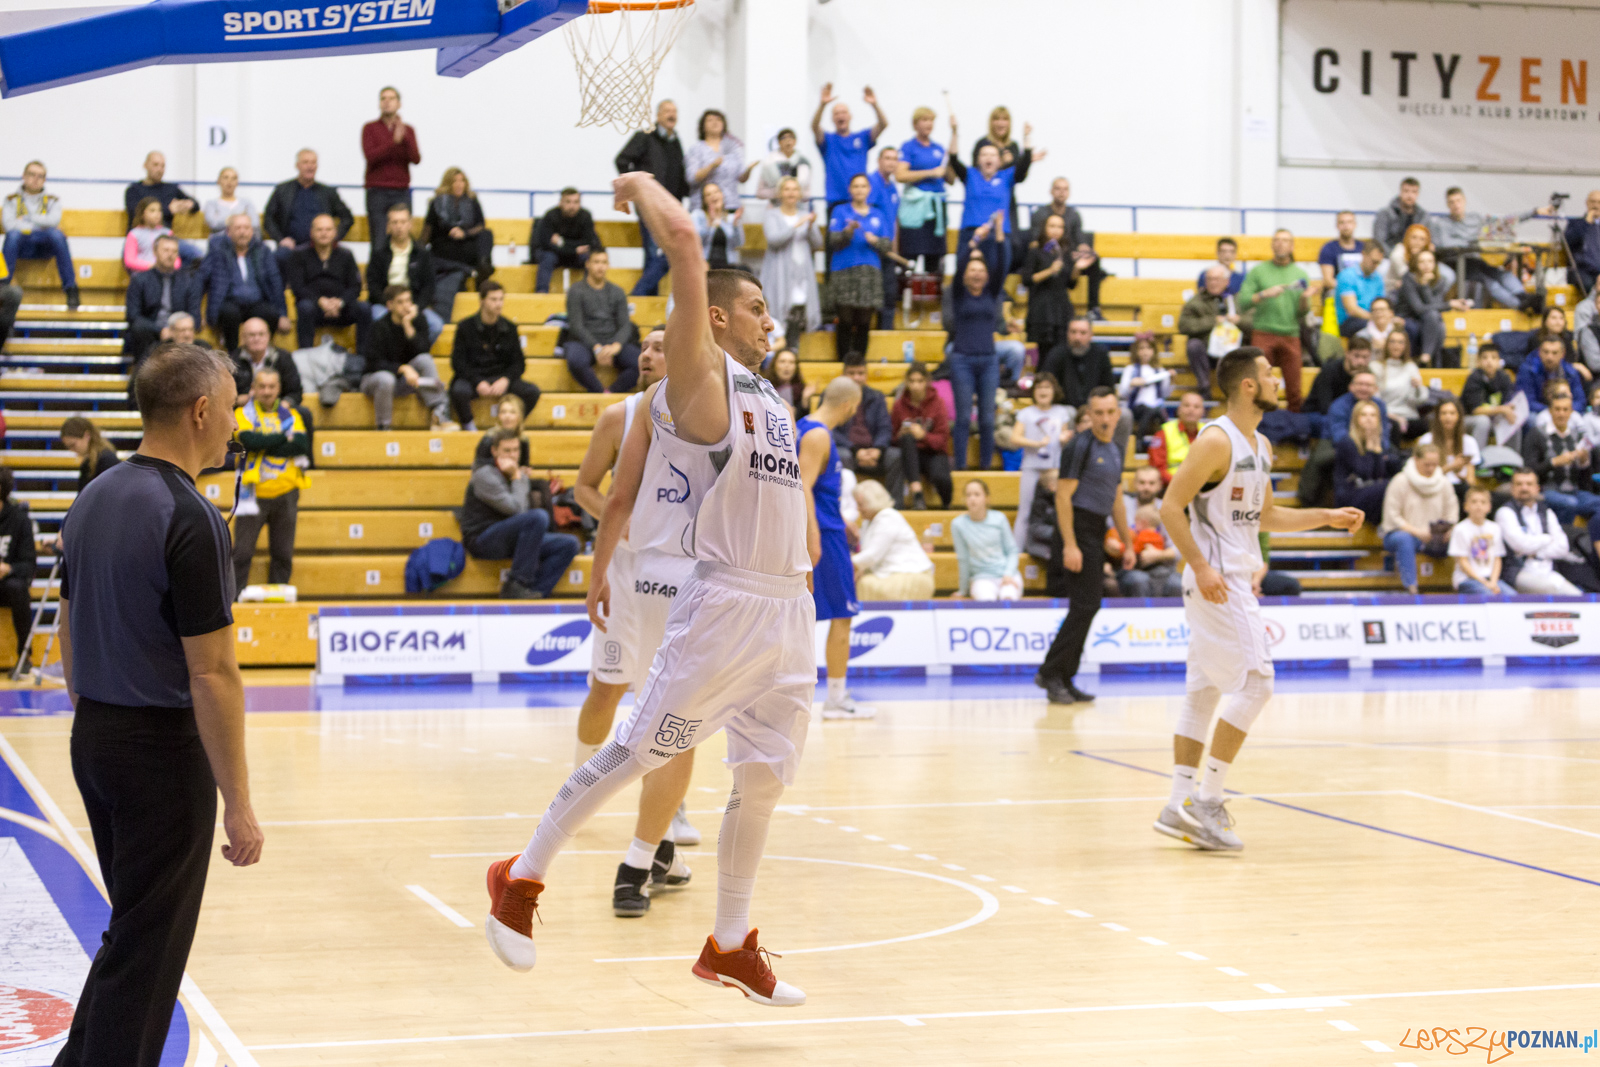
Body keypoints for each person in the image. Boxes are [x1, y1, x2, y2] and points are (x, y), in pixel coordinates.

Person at [485, 170, 814, 1007]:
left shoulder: (771, 396)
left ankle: (730, 940)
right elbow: (688, 245)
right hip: (726, 601)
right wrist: (641, 183)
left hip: (789, 607)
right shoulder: (700, 383)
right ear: (715, 318)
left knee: (765, 778)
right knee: (643, 746)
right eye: (756, 309)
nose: (769, 321)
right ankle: (520, 874)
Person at [54, 342, 263, 1067]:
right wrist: (239, 803)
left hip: (95, 737)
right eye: (231, 407)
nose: (236, 423)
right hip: (160, 756)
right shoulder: (190, 515)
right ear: (200, 411)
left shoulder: (92, 495)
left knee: (133, 932)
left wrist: (98, 714)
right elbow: (214, 674)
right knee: (149, 952)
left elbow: (67, 630)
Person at [1156, 346, 1362, 850]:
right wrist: (1201, 565)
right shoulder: (1215, 440)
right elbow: (1170, 507)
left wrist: (1326, 517)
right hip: (1218, 579)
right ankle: (1207, 800)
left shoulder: (1262, 445)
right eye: (1270, 375)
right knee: (1257, 684)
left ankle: (1177, 804)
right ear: (1248, 385)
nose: (1278, 381)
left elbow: (1265, 516)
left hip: (1224, 577)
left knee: (1204, 691)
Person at [568, 329, 700, 909]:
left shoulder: (701, 416)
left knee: (668, 700)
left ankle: (667, 817)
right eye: (644, 347)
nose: (647, 355)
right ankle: (580, 784)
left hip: (679, 573)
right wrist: (620, 526)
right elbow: (585, 488)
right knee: (610, 688)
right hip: (626, 573)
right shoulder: (618, 417)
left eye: (660, 347)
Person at [1036, 389, 1134, 704]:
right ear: (1089, 415)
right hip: (1076, 528)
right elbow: (1063, 497)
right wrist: (1070, 545)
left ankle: (1065, 676)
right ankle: (1051, 672)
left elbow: (1116, 500)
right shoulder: (1079, 446)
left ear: (1117, 414)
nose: (1105, 419)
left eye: (1110, 412)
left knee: (1088, 605)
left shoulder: (1116, 448)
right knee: (1084, 605)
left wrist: (1128, 543)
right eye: (1098, 413)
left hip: (1096, 528)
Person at [801, 377, 874, 721]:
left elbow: (815, 490)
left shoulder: (803, 426)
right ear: (848, 405)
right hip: (824, 537)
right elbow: (802, 487)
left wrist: (843, 521)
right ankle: (836, 698)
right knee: (842, 615)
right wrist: (813, 535)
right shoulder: (818, 435)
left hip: (830, 527)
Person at [462, 428, 579, 599]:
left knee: (569, 544)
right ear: (494, 451)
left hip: (511, 537)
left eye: (516, 450)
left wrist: (518, 477)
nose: (512, 455)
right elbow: (517, 509)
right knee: (538, 517)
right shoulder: (484, 475)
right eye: (507, 450)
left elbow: (521, 510)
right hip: (482, 539)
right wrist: (517, 476)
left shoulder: (516, 474)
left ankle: (536, 595)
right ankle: (517, 584)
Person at [231, 367, 309, 595]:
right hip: (252, 494)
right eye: (262, 386)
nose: (267, 391)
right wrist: (285, 438)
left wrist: (264, 443)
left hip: (287, 492)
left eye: (272, 386)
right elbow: (249, 441)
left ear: (279, 389)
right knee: (241, 553)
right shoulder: (242, 414)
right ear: (253, 388)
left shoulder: (291, 415)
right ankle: (233, 603)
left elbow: (301, 445)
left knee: (283, 554)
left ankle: (278, 603)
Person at [944, 220, 1008, 470]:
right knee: (962, 418)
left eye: (981, 270)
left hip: (989, 361)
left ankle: (985, 468)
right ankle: (960, 467)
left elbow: (1002, 264)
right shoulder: (958, 293)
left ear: (987, 275)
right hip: (962, 360)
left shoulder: (992, 292)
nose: (977, 273)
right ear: (965, 274)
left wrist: (999, 234)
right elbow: (959, 265)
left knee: (987, 420)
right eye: (972, 270)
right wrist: (974, 241)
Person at [1428, 186, 1552, 311]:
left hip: (1475, 261)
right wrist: (1471, 241)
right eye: (1452, 202)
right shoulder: (1441, 224)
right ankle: (1520, 305)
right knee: (1489, 282)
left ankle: (1523, 296)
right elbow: (1443, 244)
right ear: (1447, 205)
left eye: (1458, 201)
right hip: (1456, 264)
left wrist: (1533, 212)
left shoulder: (1475, 219)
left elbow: (1504, 222)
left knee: (1502, 274)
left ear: (1464, 201)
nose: (1456, 205)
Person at [614, 100, 689, 298]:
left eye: (674, 111)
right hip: (649, 204)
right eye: (667, 111)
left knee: (665, 254)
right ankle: (641, 297)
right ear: (658, 115)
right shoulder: (645, 136)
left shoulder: (676, 141)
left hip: (671, 206)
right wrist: (635, 187)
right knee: (653, 251)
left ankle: (644, 296)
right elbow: (622, 160)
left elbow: (679, 174)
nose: (671, 114)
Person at [1239, 229, 1318, 411]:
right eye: (1277, 240)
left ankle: (1294, 424)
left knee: (1294, 388)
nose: (1281, 244)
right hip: (1263, 332)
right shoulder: (1258, 271)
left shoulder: (1300, 274)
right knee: (1259, 386)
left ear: (1292, 246)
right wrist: (1263, 294)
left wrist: (1305, 298)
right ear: (1272, 245)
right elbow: (1243, 302)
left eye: (1285, 240)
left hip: (1291, 334)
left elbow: (1302, 313)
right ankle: (1259, 422)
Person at [450, 281, 540, 429]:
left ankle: (511, 427)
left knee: (532, 392)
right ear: (482, 301)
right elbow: (458, 362)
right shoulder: (465, 327)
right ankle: (469, 427)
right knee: (459, 391)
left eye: (501, 299)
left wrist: (506, 379)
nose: (498, 304)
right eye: (493, 299)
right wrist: (477, 381)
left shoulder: (510, 328)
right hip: (474, 377)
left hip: (500, 377)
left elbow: (519, 363)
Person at [362, 285, 453, 431]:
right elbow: (372, 363)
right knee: (386, 379)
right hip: (375, 380)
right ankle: (384, 427)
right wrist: (402, 368)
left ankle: (439, 414)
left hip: (403, 381)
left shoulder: (418, 321)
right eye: (400, 302)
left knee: (424, 360)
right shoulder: (379, 326)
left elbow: (423, 351)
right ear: (390, 305)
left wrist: (408, 326)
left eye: (408, 301)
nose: (406, 306)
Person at [1041, 317, 1132, 454]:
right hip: (1066, 408)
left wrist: (1095, 410)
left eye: (1082, 333)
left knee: (1125, 415)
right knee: (1068, 413)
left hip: (1096, 408)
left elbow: (1108, 388)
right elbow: (1047, 386)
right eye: (1073, 332)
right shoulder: (1056, 354)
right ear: (1067, 334)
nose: (1077, 337)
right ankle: (1068, 460)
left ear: (1090, 335)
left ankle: (1115, 460)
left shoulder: (1100, 354)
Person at [1379, 443, 1459, 594]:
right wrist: (1418, 532)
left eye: (1434, 465)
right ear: (1416, 459)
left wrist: (1449, 530)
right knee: (1404, 539)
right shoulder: (1400, 481)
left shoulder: (1444, 483)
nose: (1430, 469)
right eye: (1427, 464)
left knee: (1463, 534)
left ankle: (1463, 585)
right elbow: (1392, 516)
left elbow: (1452, 514)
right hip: (1403, 534)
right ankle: (1411, 587)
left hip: (1436, 536)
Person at [205, 214, 289, 353]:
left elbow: (275, 281)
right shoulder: (219, 251)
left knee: (271, 313)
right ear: (229, 232)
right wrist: (199, 315)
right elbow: (201, 277)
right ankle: (233, 354)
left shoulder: (263, 250)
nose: (242, 232)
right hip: (230, 302)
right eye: (238, 228)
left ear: (252, 231)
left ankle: (264, 353)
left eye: (246, 228)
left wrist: (283, 314)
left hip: (257, 302)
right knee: (229, 313)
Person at [285, 213, 369, 352]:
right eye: (319, 230)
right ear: (311, 232)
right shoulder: (299, 255)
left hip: (342, 308)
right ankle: (305, 356)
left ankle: (363, 357)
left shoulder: (346, 255)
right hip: (314, 307)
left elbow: (355, 287)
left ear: (335, 232)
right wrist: (320, 301)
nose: (324, 233)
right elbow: (298, 287)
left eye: (328, 229)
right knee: (305, 308)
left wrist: (340, 302)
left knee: (364, 309)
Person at [828, 174, 891, 357]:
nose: (859, 190)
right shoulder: (840, 211)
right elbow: (833, 241)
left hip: (869, 273)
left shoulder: (878, 214)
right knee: (845, 320)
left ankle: (859, 364)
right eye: (855, 186)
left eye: (863, 186)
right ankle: (842, 361)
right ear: (850, 189)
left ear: (869, 189)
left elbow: (887, 246)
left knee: (864, 322)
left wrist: (876, 241)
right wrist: (848, 231)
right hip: (844, 270)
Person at [3, 160, 80, 310]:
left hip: (45, 247)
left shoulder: (53, 200)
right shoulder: (11, 199)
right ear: (24, 176)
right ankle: (2, 287)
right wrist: (42, 224)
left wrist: (27, 219)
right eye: (32, 174)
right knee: (12, 236)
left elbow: (53, 220)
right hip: (21, 246)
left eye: (40, 176)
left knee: (57, 235)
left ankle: (71, 288)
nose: (36, 179)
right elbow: (9, 225)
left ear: (44, 179)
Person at [563, 250, 640, 394]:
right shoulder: (576, 291)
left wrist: (616, 345)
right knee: (575, 361)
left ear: (608, 265)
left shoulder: (618, 291)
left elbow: (625, 325)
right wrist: (597, 347)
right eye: (596, 262)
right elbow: (576, 325)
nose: (600, 266)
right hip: (583, 342)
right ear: (588, 264)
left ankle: (611, 393)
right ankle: (599, 392)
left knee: (641, 362)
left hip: (612, 341)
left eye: (604, 262)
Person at [1012, 372, 1074, 548]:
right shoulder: (1026, 413)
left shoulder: (1061, 412)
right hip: (1032, 467)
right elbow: (1015, 438)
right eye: (1039, 387)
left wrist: (1065, 438)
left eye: (1047, 387)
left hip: (1054, 468)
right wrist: (1037, 443)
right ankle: (1017, 553)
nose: (1043, 391)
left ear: (1054, 390)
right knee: (1025, 511)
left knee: (1059, 510)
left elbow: (1064, 436)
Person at [1496, 468, 1583, 595]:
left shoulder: (1546, 512)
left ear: (1537, 488)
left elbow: (1562, 547)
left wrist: (1536, 553)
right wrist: (1547, 538)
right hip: (1519, 572)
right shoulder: (1505, 512)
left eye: (1529, 484)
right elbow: (1521, 545)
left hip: (1548, 572)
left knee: (1577, 596)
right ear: (1512, 488)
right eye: (1519, 484)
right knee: (1552, 590)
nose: (1524, 488)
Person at [1522, 384, 1600, 525]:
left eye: (1565, 409)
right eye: (1557, 409)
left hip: (1574, 490)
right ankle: (1565, 535)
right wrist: (1554, 462)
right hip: (1547, 489)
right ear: (1550, 411)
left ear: (1571, 412)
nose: (1561, 414)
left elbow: (1585, 477)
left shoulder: (1578, 435)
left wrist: (1584, 462)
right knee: (1569, 503)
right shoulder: (1537, 434)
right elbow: (1529, 468)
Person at [261, 149, 354, 267]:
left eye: (313, 162)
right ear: (297, 165)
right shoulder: (282, 190)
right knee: (276, 258)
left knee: (344, 257)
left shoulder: (328, 193)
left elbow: (347, 217)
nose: (310, 166)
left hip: (320, 248)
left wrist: (333, 237)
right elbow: (268, 218)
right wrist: (281, 239)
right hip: (291, 248)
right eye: (305, 162)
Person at [950, 129, 1034, 258]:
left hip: (999, 234)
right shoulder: (970, 175)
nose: (988, 158)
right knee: (964, 266)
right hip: (971, 231)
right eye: (984, 154)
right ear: (978, 159)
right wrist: (955, 132)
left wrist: (1027, 138)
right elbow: (953, 159)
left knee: (999, 268)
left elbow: (1025, 163)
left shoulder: (1007, 176)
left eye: (993, 155)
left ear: (1000, 161)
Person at [759, 179, 822, 349]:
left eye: (795, 189)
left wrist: (810, 226)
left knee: (798, 312)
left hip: (802, 274)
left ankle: (793, 352)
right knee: (778, 314)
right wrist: (796, 225)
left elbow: (817, 244)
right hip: (779, 274)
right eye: (787, 189)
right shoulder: (772, 215)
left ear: (799, 194)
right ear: (780, 193)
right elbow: (774, 240)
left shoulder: (805, 214)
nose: (791, 193)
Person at [1031, 177, 1108, 313]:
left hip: (1068, 256)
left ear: (1069, 192)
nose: (1061, 192)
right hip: (1047, 255)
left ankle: (1093, 308)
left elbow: (1080, 239)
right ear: (1051, 191)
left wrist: (1084, 249)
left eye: (1065, 189)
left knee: (1094, 260)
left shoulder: (1074, 214)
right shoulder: (1040, 213)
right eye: (1058, 188)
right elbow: (1036, 241)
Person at [423, 166, 495, 313]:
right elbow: (428, 231)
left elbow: (480, 225)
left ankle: (483, 266)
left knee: (487, 234)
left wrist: (465, 233)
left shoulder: (472, 201)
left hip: (466, 243)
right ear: (448, 183)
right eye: (455, 181)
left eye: (462, 180)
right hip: (445, 246)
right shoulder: (437, 203)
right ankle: (477, 269)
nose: (459, 184)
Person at [813, 83, 888, 220]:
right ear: (832, 119)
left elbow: (883, 125)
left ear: (850, 116)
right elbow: (814, 127)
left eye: (843, 112)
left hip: (860, 200)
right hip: (836, 201)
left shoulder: (862, 138)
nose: (840, 116)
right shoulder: (828, 140)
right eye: (836, 113)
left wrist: (874, 104)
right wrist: (822, 105)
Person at [367, 201, 441, 340]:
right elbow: (373, 285)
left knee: (436, 325)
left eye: (403, 222)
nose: (399, 226)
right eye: (394, 222)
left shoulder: (422, 253)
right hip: (386, 305)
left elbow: (429, 286)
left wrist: (416, 307)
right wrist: (390, 305)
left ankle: (416, 351)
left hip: (413, 304)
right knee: (377, 319)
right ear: (388, 226)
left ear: (410, 224)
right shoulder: (378, 253)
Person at [124, 234, 202, 364]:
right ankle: (143, 371)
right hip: (150, 333)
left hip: (180, 332)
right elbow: (132, 315)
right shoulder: (140, 280)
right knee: (138, 328)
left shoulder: (188, 281)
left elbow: (194, 316)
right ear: (155, 252)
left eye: (174, 251)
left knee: (203, 345)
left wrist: (177, 330)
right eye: (166, 250)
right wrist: (160, 330)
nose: (170, 255)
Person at [896, 107, 955, 274]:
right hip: (916, 210)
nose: (928, 124)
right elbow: (900, 175)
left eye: (931, 120)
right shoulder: (908, 147)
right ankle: (907, 288)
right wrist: (930, 173)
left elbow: (951, 180)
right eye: (924, 120)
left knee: (935, 260)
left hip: (937, 209)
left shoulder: (939, 148)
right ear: (915, 124)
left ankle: (934, 288)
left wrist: (951, 159)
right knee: (910, 258)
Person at [852, 479, 935, 599]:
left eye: (860, 504)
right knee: (862, 581)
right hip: (891, 574)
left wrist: (846, 562)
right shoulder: (868, 522)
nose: (857, 509)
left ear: (872, 502)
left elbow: (872, 555)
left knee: (866, 583)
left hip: (911, 576)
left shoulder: (888, 517)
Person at [1021, 213, 1090, 355]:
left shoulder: (1066, 252)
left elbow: (1071, 284)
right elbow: (1026, 280)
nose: (1056, 230)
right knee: (1044, 353)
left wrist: (1077, 268)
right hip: (1042, 309)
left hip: (1062, 308)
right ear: (1044, 228)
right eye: (1052, 226)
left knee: (1062, 352)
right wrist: (1049, 271)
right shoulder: (1036, 250)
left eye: (1060, 227)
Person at [835, 354, 902, 497]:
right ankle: (846, 504)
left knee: (896, 455)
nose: (856, 377)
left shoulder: (877, 397)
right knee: (841, 455)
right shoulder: (834, 396)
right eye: (851, 373)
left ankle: (895, 506)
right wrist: (855, 450)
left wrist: (878, 449)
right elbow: (831, 430)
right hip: (849, 451)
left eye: (860, 373)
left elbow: (885, 428)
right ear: (843, 374)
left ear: (866, 375)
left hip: (874, 451)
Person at [891, 360, 952, 509]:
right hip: (909, 454)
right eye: (911, 381)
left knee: (942, 478)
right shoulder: (899, 405)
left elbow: (942, 440)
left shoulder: (938, 403)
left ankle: (946, 504)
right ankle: (917, 494)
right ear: (906, 382)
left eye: (919, 381)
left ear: (927, 382)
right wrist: (899, 435)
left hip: (934, 453)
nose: (915, 386)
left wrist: (923, 435)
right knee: (907, 438)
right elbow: (891, 438)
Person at [122, 151, 203, 261]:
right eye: (155, 165)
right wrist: (169, 209)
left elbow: (195, 204)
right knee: (129, 257)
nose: (159, 169)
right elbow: (135, 212)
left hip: (166, 239)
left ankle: (178, 272)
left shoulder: (171, 189)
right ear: (145, 165)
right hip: (140, 240)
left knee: (197, 254)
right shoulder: (133, 190)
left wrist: (187, 205)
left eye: (162, 166)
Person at [1334, 396, 1400, 527]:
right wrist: (1371, 449)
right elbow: (1366, 474)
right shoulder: (1347, 443)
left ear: (1379, 420)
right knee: (1388, 486)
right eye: (1363, 415)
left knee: (1398, 484)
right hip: (1351, 495)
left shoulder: (1383, 443)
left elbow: (1387, 472)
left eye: (1373, 415)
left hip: (1373, 493)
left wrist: (1378, 450)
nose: (1368, 418)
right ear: (1356, 419)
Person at [1396, 248, 1470, 365]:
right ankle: (1429, 360)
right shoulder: (1408, 279)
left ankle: (1427, 358)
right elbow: (1419, 308)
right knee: (1434, 319)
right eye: (1422, 262)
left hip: (1428, 318)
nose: (1426, 265)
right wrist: (1449, 304)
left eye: (1430, 261)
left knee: (1437, 322)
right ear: (1415, 264)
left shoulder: (1440, 281)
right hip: (1408, 316)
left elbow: (1433, 305)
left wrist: (1425, 286)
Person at [951, 479, 1021, 600]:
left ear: (987, 498)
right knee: (986, 600)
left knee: (1008, 597)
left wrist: (1008, 574)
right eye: (968, 495)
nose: (972, 499)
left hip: (1007, 574)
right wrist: (963, 590)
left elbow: (1012, 551)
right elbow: (963, 559)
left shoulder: (999, 518)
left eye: (977, 494)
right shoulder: (958, 524)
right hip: (981, 578)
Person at [1179, 264, 1242, 397]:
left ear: (1226, 281)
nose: (1213, 282)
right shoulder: (1195, 301)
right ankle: (1204, 386)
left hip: (1231, 349)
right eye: (1209, 279)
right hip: (1206, 351)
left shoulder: (1237, 299)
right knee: (1193, 345)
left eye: (1217, 279)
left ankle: (1233, 391)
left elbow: (1254, 321)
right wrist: (1212, 321)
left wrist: (1239, 321)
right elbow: (1183, 325)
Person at [361, 86, 419, 227]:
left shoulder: (408, 130)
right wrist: (393, 142)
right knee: (379, 236)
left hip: (401, 191)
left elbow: (416, 159)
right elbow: (370, 156)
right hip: (377, 191)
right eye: (383, 99)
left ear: (399, 104)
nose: (387, 102)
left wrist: (405, 139)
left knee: (402, 234)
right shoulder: (370, 128)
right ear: (379, 103)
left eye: (391, 98)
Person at [531, 187, 602, 293]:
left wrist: (561, 242)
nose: (572, 206)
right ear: (560, 203)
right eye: (568, 202)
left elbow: (588, 242)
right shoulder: (550, 215)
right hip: (555, 255)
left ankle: (590, 293)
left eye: (576, 202)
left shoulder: (586, 216)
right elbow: (546, 244)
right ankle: (541, 293)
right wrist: (574, 249)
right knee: (547, 257)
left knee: (590, 258)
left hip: (575, 256)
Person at [230, 316, 306, 414]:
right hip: (243, 410)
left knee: (304, 413)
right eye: (252, 335)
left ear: (268, 336)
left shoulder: (283, 357)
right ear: (243, 337)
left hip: (278, 408)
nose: (256, 339)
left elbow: (295, 392)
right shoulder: (232, 361)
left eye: (261, 334)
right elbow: (225, 396)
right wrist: (243, 399)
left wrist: (283, 406)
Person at [0, 467, 36, 668]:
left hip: (7, 586)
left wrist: (8, 569)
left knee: (18, 588)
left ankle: (24, 656)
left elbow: (28, 564)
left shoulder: (19, 519)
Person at [686, 109, 754, 212]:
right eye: (710, 120)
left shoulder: (733, 147)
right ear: (703, 126)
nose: (715, 122)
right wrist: (711, 166)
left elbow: (741, 178)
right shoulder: (696, 149)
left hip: (730, 204)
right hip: (704, 207)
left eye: (718, 119)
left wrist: (749, 170)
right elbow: (691, 178)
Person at [1449, 486, 1512, 596]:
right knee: (1488, 595)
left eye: (1483, 502)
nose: (1478, 505)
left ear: (1489, 507)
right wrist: (1484, 582)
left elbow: (1497, 559)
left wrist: (1493, 582)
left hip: (1491, 579)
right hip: (1467, 579)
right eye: (1474, 502)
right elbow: (1462, 562)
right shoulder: (1460, 529)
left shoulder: (1495, 528)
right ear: (1466, 506)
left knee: (1512, 596)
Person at [867, 146, 903, 329]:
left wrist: (895, 247)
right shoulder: (871, 182)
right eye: (887, 158)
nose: (891, 162)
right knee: (872, 293)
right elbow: (866, 213)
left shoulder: (893, 188)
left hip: (888, 249)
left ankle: (886, 333)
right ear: (879, 161)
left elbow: (894, 219)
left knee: (890, 292)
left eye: (894, 159)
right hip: (872, 248)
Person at [1415, 397, 1479, 495]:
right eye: (1444, 413)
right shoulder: (1426, 440)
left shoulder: (1469, 441)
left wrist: (1459, 474)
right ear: (1437, 417)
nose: (1448, 417)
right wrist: (1451, 467)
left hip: (1460, 488)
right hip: (1433, 487)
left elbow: (1471, 480)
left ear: (1459, 416)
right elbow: (1423, 476)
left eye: (1452, 413)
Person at [1118, 502, 1182, 598]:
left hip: (1153, 569)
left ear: (1143, 523)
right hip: (1148, 572)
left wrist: (1121, 547)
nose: (1134, 526)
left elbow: (1135, 548)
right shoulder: (1159, 536)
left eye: (1136, 522)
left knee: (1176, 583)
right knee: (1138, 579)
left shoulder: (1144, 536)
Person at [1461, 342, 1518, 449]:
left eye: (1493, 357)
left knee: (1513, 419)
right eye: (1485, 358)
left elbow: (1508, 402)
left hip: (1494, 419)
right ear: (1478, 361)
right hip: (1469, 419)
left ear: (1499, 361)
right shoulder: (1474, 378)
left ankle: (1512, 457)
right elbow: (1476, 410)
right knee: (1483, 421)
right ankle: (1478, 458)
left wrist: (1509, 408)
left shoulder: (1504, 377)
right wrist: (1502, 409)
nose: (1489, 361)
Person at [1373, 329, 1428, 439]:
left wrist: (1418, 388)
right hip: (1386, 416)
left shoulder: (1411, 367)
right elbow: (1375, 400)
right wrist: (1393, 417)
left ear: (1406, 346)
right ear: (1386, 344)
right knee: (1393, 427)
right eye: (1392, 341)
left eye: (1400, 342)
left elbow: (1420, 400)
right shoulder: (1375, 367)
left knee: (1427, 424)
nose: (1396, 346)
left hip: (1409, 416)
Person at [1516, 336, 1588, 417]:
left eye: (1554, 353)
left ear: (1562, 353)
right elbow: (1526, 402)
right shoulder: (1528, 370)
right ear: (1539, 352)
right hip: (1539, 413)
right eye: (1546, 352)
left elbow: (1580, 401)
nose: (1549, 357)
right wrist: (1554, 410)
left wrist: (1563, 410)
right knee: (1531, 418)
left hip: (1565, 412)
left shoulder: (1571, 372)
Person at [1149, 390, 1208, 485]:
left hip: (1203, 486)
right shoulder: (1164, 432)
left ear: (1203, 411)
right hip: (1170, 486)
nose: (1191, 409)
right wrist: (1180, 485)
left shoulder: (1209, 432)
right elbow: (1157, 469)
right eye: (1187, 405)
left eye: (1196, 407)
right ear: (1179, 410)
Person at [1118, 336, 1172, 438]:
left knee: (1160, 413)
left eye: (1148, 348)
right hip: (1137, 407)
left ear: (1154, 351)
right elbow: (1122, 392)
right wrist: (1131, 385)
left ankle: (1167, 439)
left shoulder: (1159, 370)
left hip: (1156, 406)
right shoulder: (1131, 369)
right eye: (1141, 348)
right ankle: (1139, 438)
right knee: (1148, 411)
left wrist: (1170, 380)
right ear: (1136, 351)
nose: (1145, 352)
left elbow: (1165, 394)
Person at [1334, 240, 1389, 338]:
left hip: (1372, 318)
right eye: (1374, 262)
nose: (1376, 266)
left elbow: (1381, 303)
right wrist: (1376, 319)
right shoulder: (1347, 276)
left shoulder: (1378, 278)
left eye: (1378, 263)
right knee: (1369, 326)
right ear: (1364, 255)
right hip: (1349, 322)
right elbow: (1352, 310)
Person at [1385, 222, 1456, 296]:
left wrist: (1431, 254)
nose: (1417, 242)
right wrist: (1415, 257)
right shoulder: (1398, 252)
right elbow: (1407, 278)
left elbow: (1434, 273)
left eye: (1422, 239)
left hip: (1421, 289)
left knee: (1447, 274)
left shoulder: (1426, 252)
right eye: (1414, 237)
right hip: (1396, 289)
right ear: (1407, 238)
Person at [59, 416, 120, 492]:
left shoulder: (107, 461)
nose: (71, 450)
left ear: (87, 436)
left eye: (73, 445)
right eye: (68, 447)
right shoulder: (87, 463)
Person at [692, 183, 744, 270]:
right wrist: (709, 224)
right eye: (708, 194)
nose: (713, 196)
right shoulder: (698, 216)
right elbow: (696, 242)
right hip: (705, 265)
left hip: (728, 266)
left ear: (722, 195)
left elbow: (738, 243)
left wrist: (735, 225)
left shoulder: (731, 218)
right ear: (704, 200)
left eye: (716, 192)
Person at [754, 128, 814, 203]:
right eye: (784, 138)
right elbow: (760, 192)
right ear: (779, 142)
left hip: (798, 206)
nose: (788, 140)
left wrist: (796, 193)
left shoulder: (803, 162)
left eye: (791, 137)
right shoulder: (769, 162)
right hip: (776, 205)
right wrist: (780, 192)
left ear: (795, 141)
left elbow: (807, 191)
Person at [473, 394, 530, 469]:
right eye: (503, 412)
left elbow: (524, 465)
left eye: (512, 412)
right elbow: (479, 466)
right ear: (499, 415)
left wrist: (524, 470)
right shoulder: (489, 438)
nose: (507, 416)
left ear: (519, 416)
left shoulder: (523, 439)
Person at [123, 197, 177, 274]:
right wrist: (152, 266)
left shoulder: (167, 233)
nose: (157, 214)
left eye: (159, 210)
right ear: (143, 214)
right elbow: (129, 261)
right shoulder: (134, 234)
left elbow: (177, 259)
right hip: (142, 274)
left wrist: (169, 266)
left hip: (164, 273)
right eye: (152, 211)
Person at [1373, 176, 1428, 253]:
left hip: (1416, 256)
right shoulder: (1385, 214)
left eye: (1414, 192)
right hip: (1389, 255)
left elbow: (1428, 240)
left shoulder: (1423, 216)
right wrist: (1393, 255)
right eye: (1406, 191)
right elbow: (1379, 241)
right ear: (1400, 192)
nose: (1410, 195)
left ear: (1418, 194)